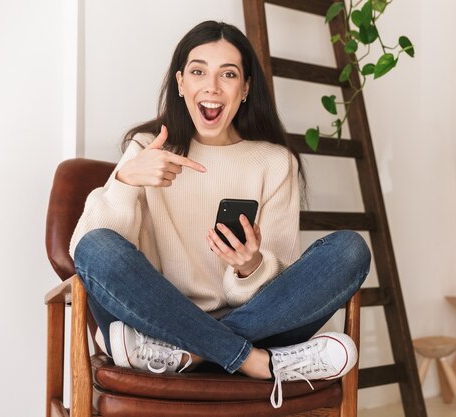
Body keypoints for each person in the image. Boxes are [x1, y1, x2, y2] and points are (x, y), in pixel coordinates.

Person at [70, 20, 370, 409]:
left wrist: (250, 268)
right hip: (153, 321)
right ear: (180, 83)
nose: (211, 87)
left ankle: (192, 356)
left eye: (227, 74)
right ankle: (254, 361)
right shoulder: (147, 148)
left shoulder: (274, 162)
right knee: (98, 247)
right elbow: (87, 254)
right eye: (198, 72)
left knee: (349, 250)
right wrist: (126, 181)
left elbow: (285, 289)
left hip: (206, 334)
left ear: (245, 89)